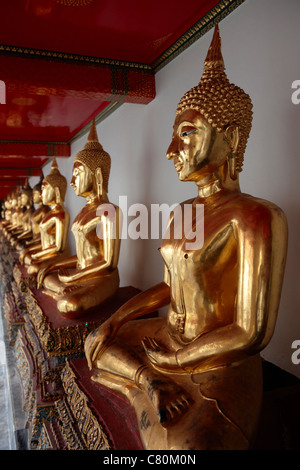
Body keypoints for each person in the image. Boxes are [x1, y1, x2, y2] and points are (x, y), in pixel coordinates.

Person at [84, 25, 288, 450]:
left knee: (185, 450)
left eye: (187, 132)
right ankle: (147, 384)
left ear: (229, 137)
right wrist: (118, 318)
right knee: (95, 340)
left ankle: (144, 384)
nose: (171, 148)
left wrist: (180, 358)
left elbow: (251, 333)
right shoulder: (181, 212)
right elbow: (170, 286)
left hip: (219, 359)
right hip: (166, 340)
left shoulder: (255, 217)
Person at [37, 121, 121, 319]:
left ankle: (62, 295)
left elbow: (109, 263)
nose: (73, 182)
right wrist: (52, 266)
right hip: (82, 274)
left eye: (77, 174)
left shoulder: (109, 211)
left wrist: (74, 276)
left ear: (96, 174)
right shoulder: (83, 212)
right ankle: (61, 291)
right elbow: (83, 257)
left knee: (69, 304)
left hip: (102, 278)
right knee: (48, 278)